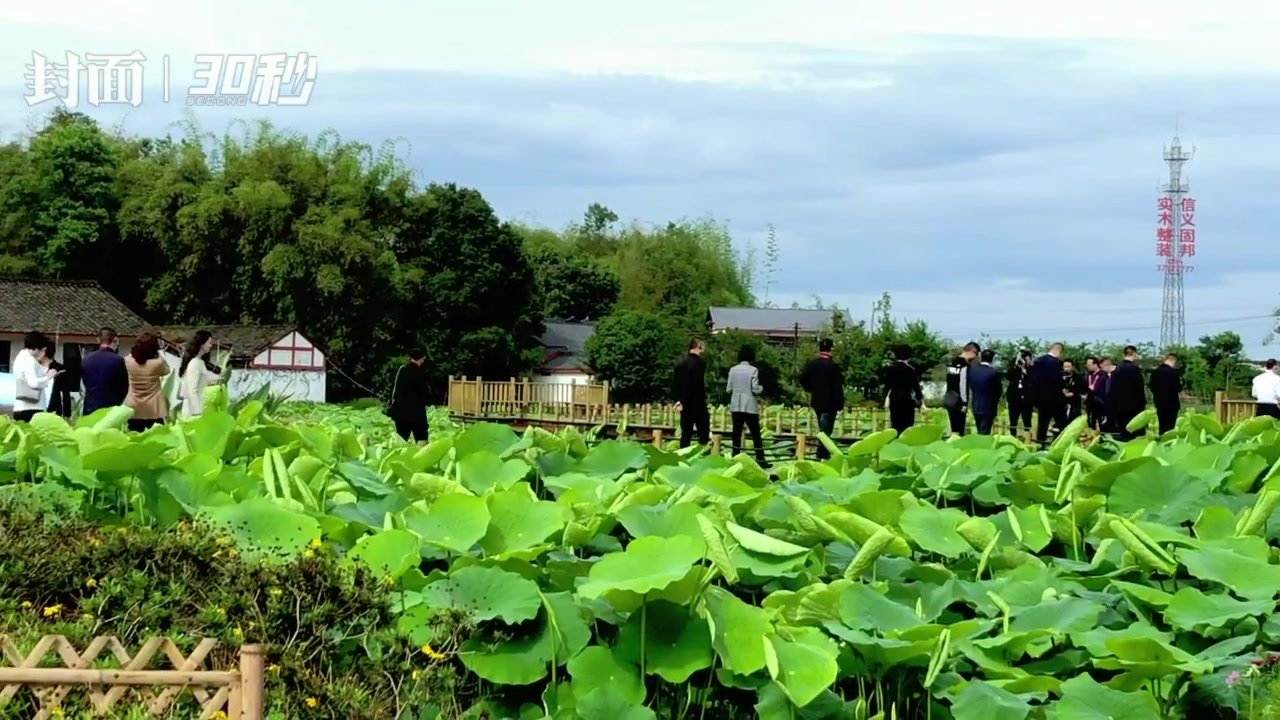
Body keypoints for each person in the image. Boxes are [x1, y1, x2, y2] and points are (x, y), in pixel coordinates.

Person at [799, 338, 843, 460]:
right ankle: (822, 453)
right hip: (831, 402)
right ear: (831, 349)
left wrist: (810, 389)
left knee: (822, 426)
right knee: (826, 429)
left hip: (817, 400)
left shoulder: (812, 365)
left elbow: (802, 379)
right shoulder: (833, 366)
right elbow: (837, 386)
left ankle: (823, 453)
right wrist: (840, 403)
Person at [726, 345, 768, 466]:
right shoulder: (753, 370)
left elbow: (728, 389)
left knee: (736, 433)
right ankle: (761, 459)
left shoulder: (733, 370)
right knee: (755, 434)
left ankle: (735, 457)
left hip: (736, 405)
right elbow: (755, 389)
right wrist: (762, 388)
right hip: (749, 405)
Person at [123, 333, 171, 432]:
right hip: (153, 407)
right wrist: (160, 353)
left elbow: (130, 356)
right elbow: (167, 370)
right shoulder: (157, 363)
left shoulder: (128, 361)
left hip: (133, 405)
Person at [12, 332, 58, 422]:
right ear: (37, 348)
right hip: (32, 408)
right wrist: (48, 377)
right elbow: (33, 383)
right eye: (43, 349)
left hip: (20, 406)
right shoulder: (30, 360)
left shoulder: (20, 357)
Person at [178, 330, 225, 419]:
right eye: (209, 343)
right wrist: (197, 413)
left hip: (199, 405)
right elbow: (192, 390)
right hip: (192, 411)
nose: (211, 346)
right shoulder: (194, 363)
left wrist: (213, 381)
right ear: (202, 344)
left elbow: (199, 382)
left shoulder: (200, 362)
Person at [81, 327, 128, 416]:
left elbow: (85, 381)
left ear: (98, 339)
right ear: (115, 340)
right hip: (110, 407)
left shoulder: (87, 359)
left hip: (90, 405)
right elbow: (123, 386)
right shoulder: (117, 360)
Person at [672, 338, 709, 448]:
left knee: (686, 432)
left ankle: (683, 454)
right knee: (704, 429)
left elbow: (676, 383)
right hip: (697, 401)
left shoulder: (680, 363)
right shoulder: (700, 363)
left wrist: (678, 400)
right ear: (699, 347)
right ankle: (703, 452)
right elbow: (697, 383)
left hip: (684, 402)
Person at [1026, 342, 1065, 446]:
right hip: (1054, 398)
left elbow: (1032, 379)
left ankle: (1040, 442)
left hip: (1040, 398)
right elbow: (1058, 380)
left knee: (1043, 422)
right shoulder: (1056, 363)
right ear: (1059, 351)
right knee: (1061, 422)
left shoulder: (1038, 361)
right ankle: (1059, 443)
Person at [388, 350, 431, 442]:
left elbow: (395, 390)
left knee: (401, 441)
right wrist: (428, 402)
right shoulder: (421, 372)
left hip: (401, 413)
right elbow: (425, 393)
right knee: (421, 439)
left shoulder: (402, 370)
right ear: (421, 359)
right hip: (417, 414)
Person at [882, 345, 923, 434]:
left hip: (895, 399)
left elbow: (886, 386)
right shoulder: (910, 369)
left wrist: (884, 398)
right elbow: (916, 386)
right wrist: (919, 399)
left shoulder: (890, 369)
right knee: (907, 426)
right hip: (907, 399)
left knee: (895, 424)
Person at [1109, 346, 1147, 440]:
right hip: (1134, 408)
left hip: (1120, 408)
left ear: (1124, 354)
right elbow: (1139, 389)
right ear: (1134, 354)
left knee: (1124, 433)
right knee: (1135, 434)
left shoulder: (1116, 370)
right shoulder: (1135, 370)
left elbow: (1112, 390)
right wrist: (1142, 405)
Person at [943, 342, 979, 436]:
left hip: (949, 398)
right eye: (976, 354)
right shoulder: (964, 365)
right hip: (958, 401)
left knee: (951, 429)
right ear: (973, 351)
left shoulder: (951, 363)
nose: (975, 358)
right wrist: (964, 403)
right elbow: (962, 384)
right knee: (959, 430)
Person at [968, 349, 1002, 435]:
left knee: (979, 428)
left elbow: (971, 386)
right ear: (991, 359)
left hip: (976, 404)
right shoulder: (993, 372)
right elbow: (998, 390)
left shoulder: (973, 371)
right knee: (985, 431)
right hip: (989, 406)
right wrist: (996, 401)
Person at [1148, 353, 1182, 435]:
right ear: (1174, 361)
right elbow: (1178, 388)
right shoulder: (1174, 373)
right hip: (1172, 403)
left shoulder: (1155, 372)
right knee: (1170, 426)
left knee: (1162, 424)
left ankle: (1161, 438)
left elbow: (1151, 386)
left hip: (1159, 402)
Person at [1005, 348, 1034, 437]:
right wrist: (1016, 366)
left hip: (1027, 399)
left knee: (1027, 420)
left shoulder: (1032, 369)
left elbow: (1033, 379)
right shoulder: (1015, 368)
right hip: (1014, 398)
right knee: (1013, 420)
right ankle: (1013, 436)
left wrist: (1026, 368)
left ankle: (1028, 437)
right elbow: (1008, 376)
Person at [42, 342, 74, 418]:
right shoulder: (35, 368)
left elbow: (65, 393)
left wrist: (67, 413)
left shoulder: (61, 369)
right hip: (40, 407)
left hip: (54, 409)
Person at [1084, 356, 1109, 431]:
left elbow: (1105, 389)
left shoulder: (1103, 375)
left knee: (1102, 422)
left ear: (1095, 364)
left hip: (1100, 401)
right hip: (1090, 402)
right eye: (1087, 365)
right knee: (1091, 422)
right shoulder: (1088, 375)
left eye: (1089, 365)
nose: (1088, 367)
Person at [1061, 359, 1086, 423]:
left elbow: (1082, 391)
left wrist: (1073, 393)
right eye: (1065, 367)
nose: (1066, 369)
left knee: (1074, 421)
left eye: (1068, 367)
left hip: (1074, 403)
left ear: (1072, 367)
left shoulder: (1079, 378)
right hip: (1061, 403)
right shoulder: (1059, 376)